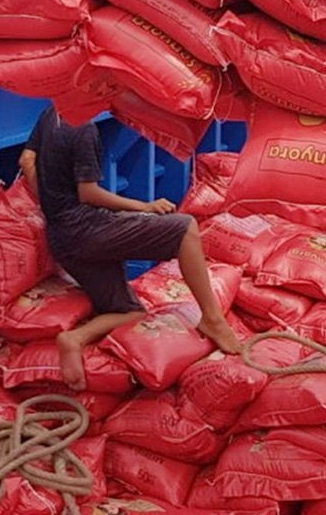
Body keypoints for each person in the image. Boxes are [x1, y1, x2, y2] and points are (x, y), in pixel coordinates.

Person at [17, 104, 242, 388]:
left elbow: (27, 161)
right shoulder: (83, 128)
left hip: (63, 239)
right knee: (185, 229)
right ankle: (213, 318)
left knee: (131, 311)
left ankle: (74, 338)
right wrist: (144, 207)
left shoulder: (52, 112)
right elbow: (88, 194)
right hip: (88, 232)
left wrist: (54, 206)